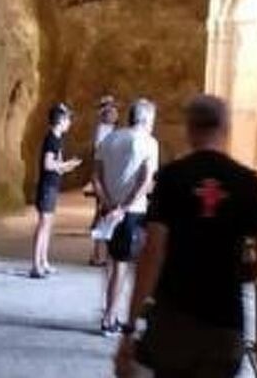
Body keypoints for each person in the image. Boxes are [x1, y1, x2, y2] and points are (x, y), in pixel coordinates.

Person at [113, 94, 257, 378]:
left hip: (173, 322)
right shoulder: (245, 181)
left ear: (189, 129)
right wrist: (237, 275)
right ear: (225, 128)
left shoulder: (172, 177)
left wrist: (129, 325)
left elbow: (152, 252)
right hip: (225, 323)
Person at [96, 98, 160, 335]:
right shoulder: (149, 142)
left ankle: (109, 311)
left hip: (109, 208)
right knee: (122, 265)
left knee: (111, 262)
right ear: (145, 119)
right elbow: (145, 181)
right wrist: (123, 208)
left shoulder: (109, 138)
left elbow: (96, 176)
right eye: (152, 120)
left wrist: (108, 203)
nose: (153, 125)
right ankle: (109, 318)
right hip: (131, 212)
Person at [30, 102, 81, 278]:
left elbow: (54, 164)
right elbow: (48, 164)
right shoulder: (52, 139)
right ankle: (36, 265)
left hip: (51, 186)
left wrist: (67, 166)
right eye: (67, 119)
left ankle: (43, 261)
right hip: (47, 187)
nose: (69, 123)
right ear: (60, 120)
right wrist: (64, 165)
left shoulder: (57, 139)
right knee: (43, 225)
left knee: (48, 225)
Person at [91, 97, 121, 267]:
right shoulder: (102, 130)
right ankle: (97, 253)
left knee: (107, 214)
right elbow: (100, 154)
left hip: (110, 176)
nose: (115, 114)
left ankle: (104, 253)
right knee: (102, 213)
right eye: (112, 111)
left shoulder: (112, 130)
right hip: (104, 177)